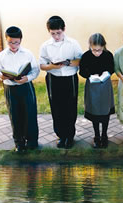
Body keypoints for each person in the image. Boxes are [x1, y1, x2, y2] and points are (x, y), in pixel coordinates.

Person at [39, 16, 82, 149]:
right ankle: (61, 136)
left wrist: (68, 62)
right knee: (56, 108)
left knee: (70, 107)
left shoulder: (73, 43)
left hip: (70, 78)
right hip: (54, 79)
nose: (56, 36)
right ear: (49, 32)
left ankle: (70, 136)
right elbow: (42, 65)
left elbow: (80, 61)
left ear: (63, 29)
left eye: (58, 33)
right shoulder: (46, 46)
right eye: (53, 34)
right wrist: (52, 66)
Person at [0, 26, 39, 153]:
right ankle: (19, 142)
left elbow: (35, 70)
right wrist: (0, 76)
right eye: (10, 42)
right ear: (6, 40)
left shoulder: (27, 54)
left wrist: (27, 78)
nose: (13, 45)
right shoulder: (1, 55)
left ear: (21, 40)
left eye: (16, 42)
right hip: (10, 88)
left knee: (29, 114)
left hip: (26, 87)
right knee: (15, 115)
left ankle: (32, 141)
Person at [79, 33, 115, 148]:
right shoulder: (86, 56)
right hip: (92, 86)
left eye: (99, 50)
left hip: (105, 85)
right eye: (94, 50)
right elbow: (82, 71)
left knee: (105, 110)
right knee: (94, 110)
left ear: (104, 46)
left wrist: (106, 73)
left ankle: (104, 135)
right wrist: (89, 75)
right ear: (90, 46)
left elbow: (111, 68)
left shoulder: (108, 55)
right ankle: (96, 136)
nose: (97, 53)